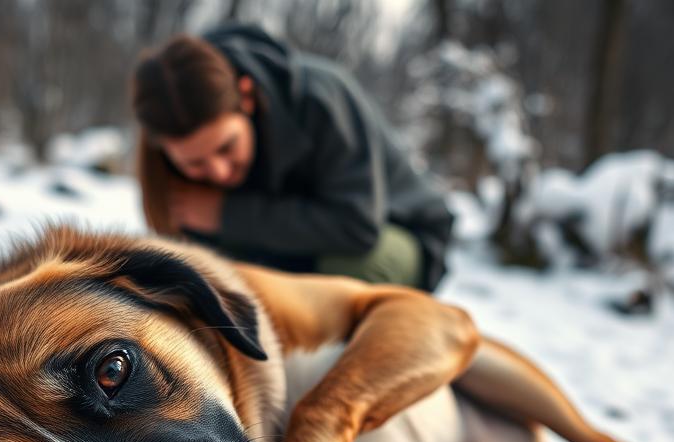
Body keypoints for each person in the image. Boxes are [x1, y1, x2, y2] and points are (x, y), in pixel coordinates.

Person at [131, 24, 454, 292]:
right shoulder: (163, 153)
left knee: (353, 266)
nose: (218, 171)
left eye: (227, 147)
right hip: (292, 253)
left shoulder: (323, 97)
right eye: (194, 164)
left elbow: (357, 227)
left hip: (399, 237)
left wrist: (225, 215)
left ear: (246, 97)